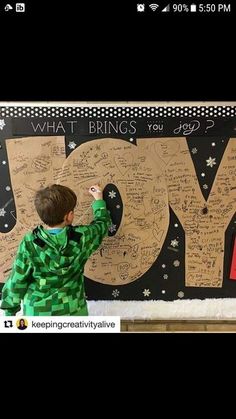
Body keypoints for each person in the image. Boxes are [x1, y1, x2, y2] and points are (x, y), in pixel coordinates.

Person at [0, 184, 112, 316]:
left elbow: (17, 281)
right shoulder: (82, 237)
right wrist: (98, 200)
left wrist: (9, 312)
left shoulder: (30, 242)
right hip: (74, 316)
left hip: (37, 317)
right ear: (69, 216)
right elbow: (102, 224)